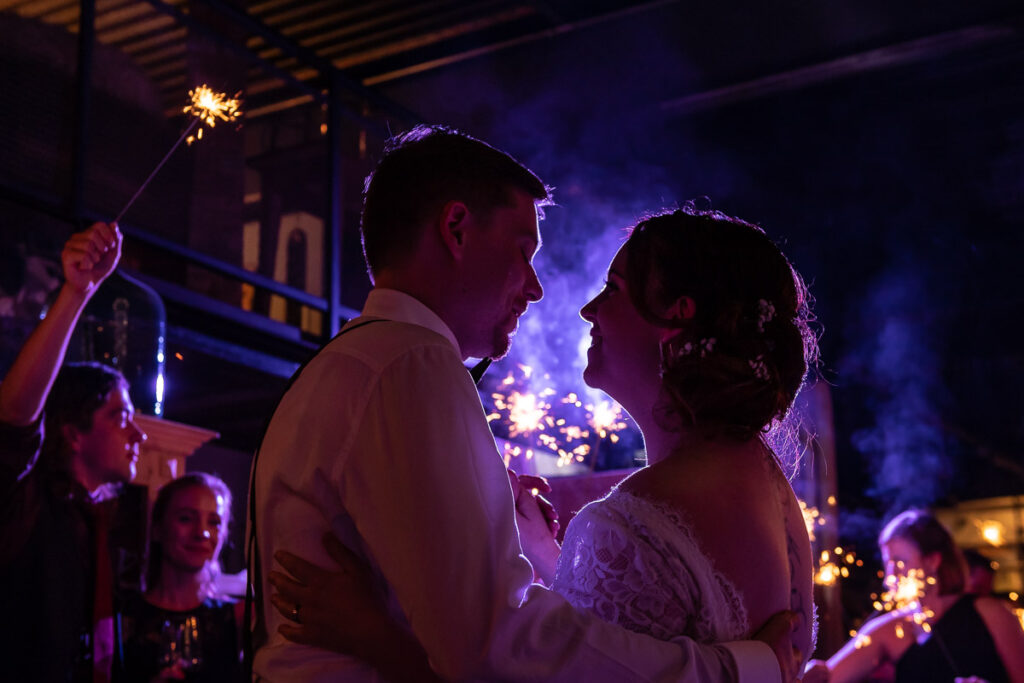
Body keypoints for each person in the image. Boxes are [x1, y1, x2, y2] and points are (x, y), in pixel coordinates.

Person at [249, 125, 801, 682]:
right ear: (457, 230)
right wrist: (739, 672)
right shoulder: (410, 364)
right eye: (522, 251)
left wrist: (502, 536)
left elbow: (476, 638)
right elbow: (494, 645)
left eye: (612, 289)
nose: (536, 289)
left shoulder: (355, 364)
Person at [0, 222, 148, 682]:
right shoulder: (25, 506)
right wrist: (77, 293)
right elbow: (11, 422)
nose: (138, 436)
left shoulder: (101, 524)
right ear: (72, 433)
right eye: (120, 416)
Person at [803, 509, 1024, 683]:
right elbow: (827, 676)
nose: (892, 574)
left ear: (932, 561)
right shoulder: (891, 629)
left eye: (901, 562)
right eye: (888, 563)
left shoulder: (990, 612)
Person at [118, 472, 244, 682]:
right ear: (158, 529)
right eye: (186, 518)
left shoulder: (237, 620)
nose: (201, 533)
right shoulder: (123, 616)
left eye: (213, 522)